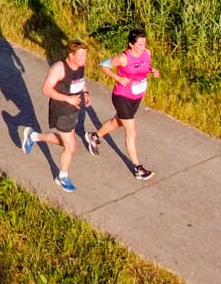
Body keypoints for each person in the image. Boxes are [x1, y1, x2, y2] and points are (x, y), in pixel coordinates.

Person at [20, 42, 89, 193]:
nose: (85, 58)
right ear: (71, 55)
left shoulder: (80, 65)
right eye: (82, 55)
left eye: (85, 55)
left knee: (65, 143)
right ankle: (62, 176)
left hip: (73, 109)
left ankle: (33, 136)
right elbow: (46, 89)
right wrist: (67, 99)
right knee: (71, 147)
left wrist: (85, 93)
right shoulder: (59, 68)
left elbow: (80, 81)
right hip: (61, 110)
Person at [90, 30, 159, 180]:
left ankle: (94, 136)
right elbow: (103, 65)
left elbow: (144, 65)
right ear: (131, 44)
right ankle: (138, 168)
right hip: (122, 96)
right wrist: (117, 78)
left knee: (117, 122)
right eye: (139, 44)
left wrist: (152, 70)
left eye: (144, 43)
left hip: (137, 96)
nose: (143, 47)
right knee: (132, 133)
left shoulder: (147, 53)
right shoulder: (123, 58)